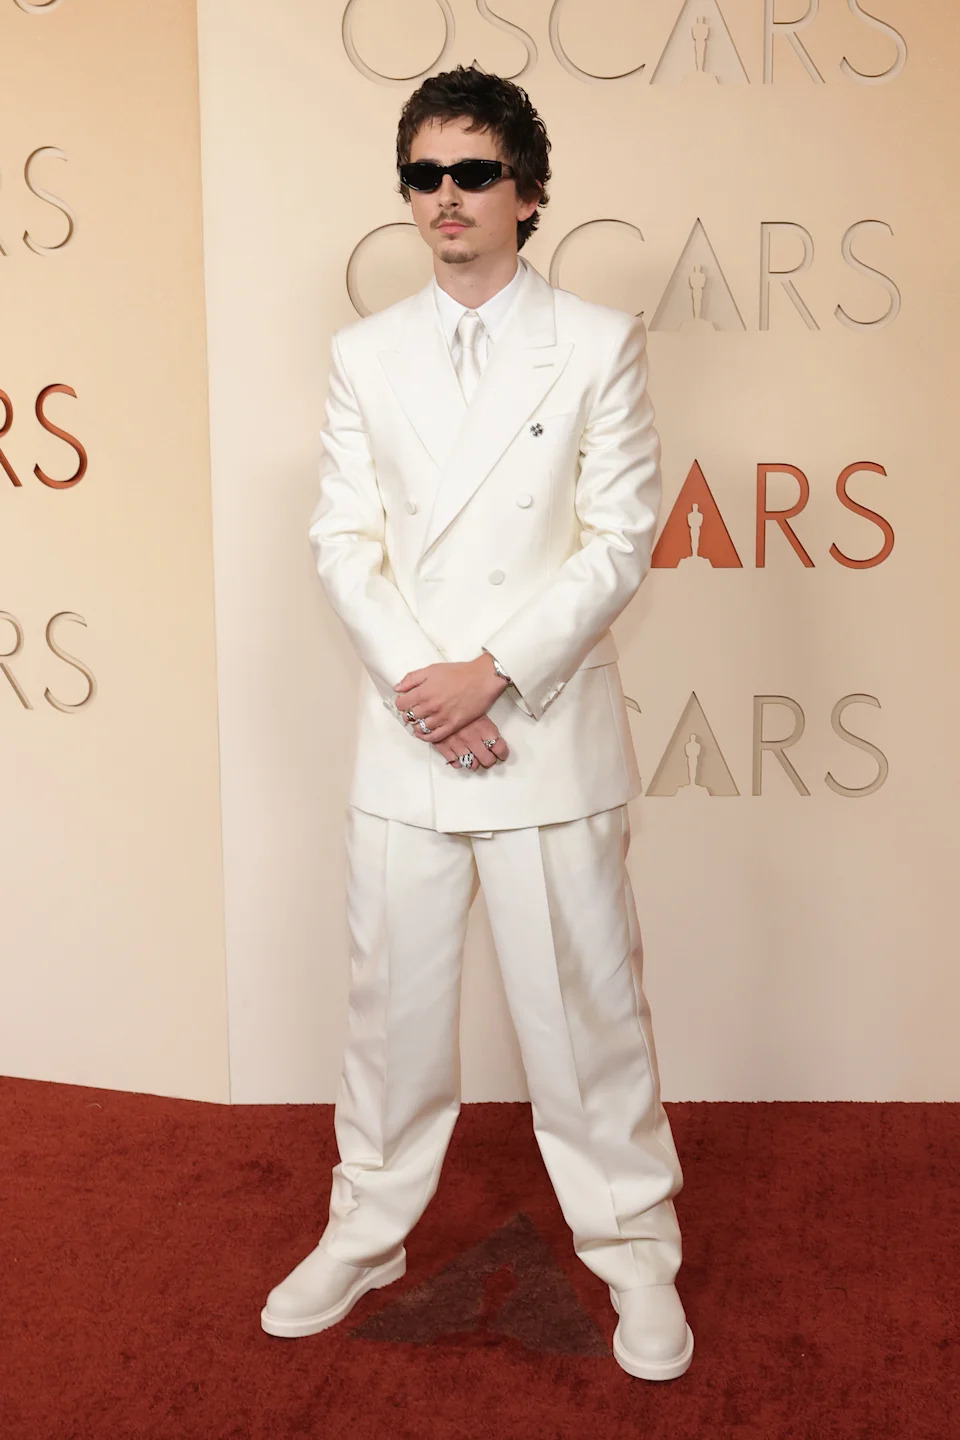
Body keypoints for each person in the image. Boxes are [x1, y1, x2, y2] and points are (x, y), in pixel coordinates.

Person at [260, 63, 694, 1382]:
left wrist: (492, 674)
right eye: (424, 175)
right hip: (409, 736)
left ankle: (636, 1254)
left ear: (528, 191)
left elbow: (618, 540)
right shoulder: (364, 355)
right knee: (388, 1016)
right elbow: (344, 543)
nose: (445, 197)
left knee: (586, 1018)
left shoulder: (599, 343)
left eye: (473, 172)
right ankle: (366, 1232)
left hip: (542, 733)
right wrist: (428, 688)